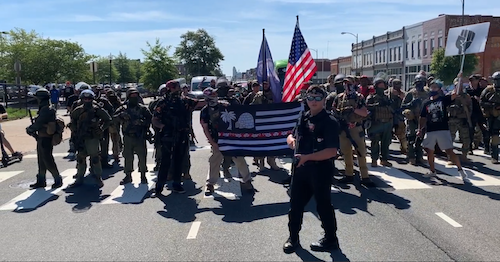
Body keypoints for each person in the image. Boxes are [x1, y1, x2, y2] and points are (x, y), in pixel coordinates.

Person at [284, 85, 340, 253]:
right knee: (295, 206)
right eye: (310, 98)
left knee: (323, 206)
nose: (313, 101)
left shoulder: (330, 121)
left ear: (324, 100)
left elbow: (331, 151)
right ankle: (293, 237)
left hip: (320, 170)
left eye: (317, 98)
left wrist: (308, 157)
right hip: (301, 170)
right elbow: (291, 135)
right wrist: (291, 141)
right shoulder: (303, 116)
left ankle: (331, 239)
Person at [200, 87, 253, 194]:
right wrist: (213, 143)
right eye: (212, 95)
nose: (215, 97)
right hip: (217, 139)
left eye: (215, 95)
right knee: (215, 161)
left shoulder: (225, 106)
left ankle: (247, 180)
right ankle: (211, 183)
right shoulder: (205, 111)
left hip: (231, 138)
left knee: (239, 158)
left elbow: (236, 117)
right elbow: (205, 128)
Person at [418, 74, 469, 183]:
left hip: (442, 129)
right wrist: (420, 129)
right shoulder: (426, 102)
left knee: (449, 151)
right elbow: (422, 117)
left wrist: (459, 79)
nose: (433, 89)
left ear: (439, 89)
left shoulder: (443, 99)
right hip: (430, 130)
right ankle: (432, 171)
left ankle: (461, 171)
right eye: (431, 87)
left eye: (435, 87)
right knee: (429, 151)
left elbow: (455, 93)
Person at [151, 80, 192, 196]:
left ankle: (177, 185)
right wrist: (163, 126)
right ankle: (159, 188)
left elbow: (199, 103)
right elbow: (155, 119)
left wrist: (215, 100)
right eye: (175, 87)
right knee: (165, 162)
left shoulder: (184, 101)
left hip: (181, 135)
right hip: (167, 136)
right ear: (170, 89)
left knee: (178, 161)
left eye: (178, 87)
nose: (178, 89)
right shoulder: (163, 103)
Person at [333, 77, 374, 186]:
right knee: (346, 152)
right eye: (345, 83)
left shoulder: (359, 97)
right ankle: (349, 174)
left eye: (349, 83)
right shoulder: (339, 98)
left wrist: (353, 109)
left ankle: (365, 177)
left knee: (361, 152)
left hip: (356, 128)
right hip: (343, 128)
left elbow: (365, 113)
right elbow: (334, 112)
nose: (347, 86)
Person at [68, 90, 112, 188]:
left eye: (89, 99)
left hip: (92, 138)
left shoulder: (97, 110)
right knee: (80, 159)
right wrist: (74, 130)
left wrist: (101, 129)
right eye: (85, 99)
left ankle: (98, 177)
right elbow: (72, 121)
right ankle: (79, 178)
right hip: (81, 138)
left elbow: (108, 120)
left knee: (95, 158)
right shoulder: (78, 110)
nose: (87, 101)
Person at [114, 88, 152, 184]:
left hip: (140, 136)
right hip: (128, 137)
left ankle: (143, 175)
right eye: (132, 96)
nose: (134, 98)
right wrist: (121, 116)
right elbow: (113, 119)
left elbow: (151, 119)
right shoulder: (123, 108)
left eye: (136, 96)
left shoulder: (142, 108)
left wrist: (142, 122)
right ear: (128, 97)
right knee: (128, 157)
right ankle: (128, 175)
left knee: (142, 157)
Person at [26, 88, 62, 189]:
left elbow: (39, 123)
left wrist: (30, 129)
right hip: (42, 137)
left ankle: (57, 179)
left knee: (47, 159)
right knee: (41, 160)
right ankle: (41, 180)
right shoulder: (45, 109)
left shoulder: (46, 110)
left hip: (45, 138)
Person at [366, 77, 394, 167]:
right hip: (376, 123)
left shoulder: (387, 97)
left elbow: (393, 109)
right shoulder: (371, 97)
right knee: (375, 142)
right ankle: (374, 159)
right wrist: (376, 105)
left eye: (383, 85)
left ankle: (384, 159)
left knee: (386, 143)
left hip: (387, 123)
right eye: (379, 85)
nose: (381, 87)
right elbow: (366, 107)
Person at [480, 71, 500, 164]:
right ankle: (494, 156)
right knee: (494, 136)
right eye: (496, 80)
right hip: (492, 116)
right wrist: (492, 105)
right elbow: (481, 102)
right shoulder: (488, 90)